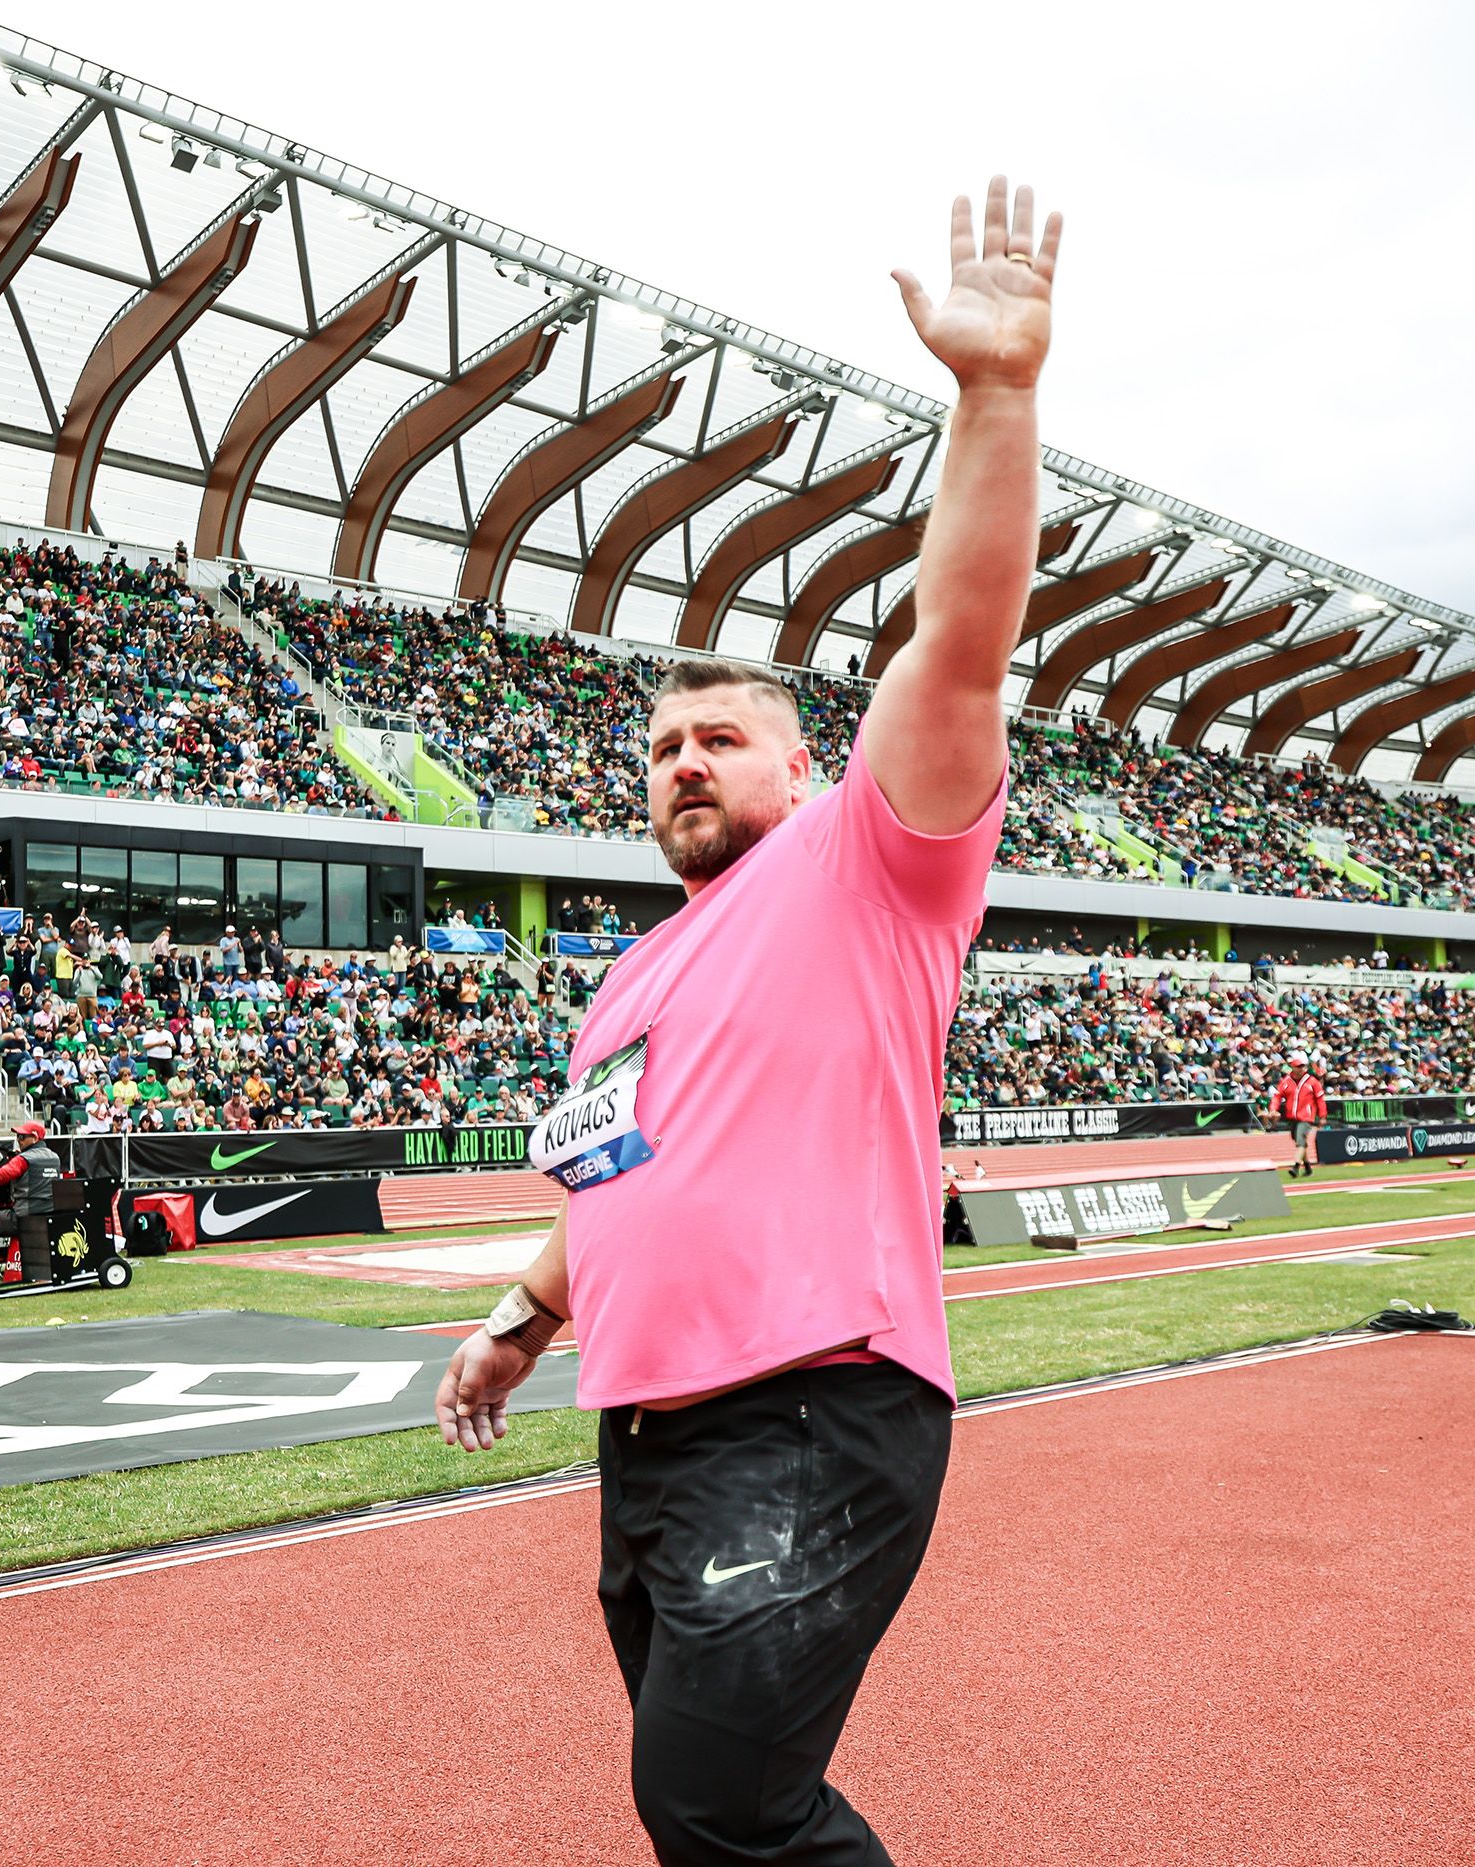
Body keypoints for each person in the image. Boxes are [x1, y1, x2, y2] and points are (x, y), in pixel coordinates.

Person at [434, 177, 1060, 1866]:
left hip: (811, 1406)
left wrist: (994, 396)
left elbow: (964, 638)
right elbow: (612, 1184)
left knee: (719, 1795)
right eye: (663, 748)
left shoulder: (874, 863)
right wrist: (517, 1318)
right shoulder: (628, 981)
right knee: (710, 1815)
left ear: (803, 764)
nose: (687, 761)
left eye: (722, 735)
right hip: (650, 1442)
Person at [0, 1118, 62, 1278]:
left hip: (24, 1218)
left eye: (22, 1137)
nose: (18, 1140)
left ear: (35, 1137)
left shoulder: (23, 1160)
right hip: (49, 1218)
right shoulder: (54, 1157)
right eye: (17, 1137)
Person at [1270, 1052, 1327, 1178]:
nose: (1301, 1069)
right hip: (1292, 1116)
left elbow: (1320, 1099)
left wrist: (1322, 1116)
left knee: (1300, 1141)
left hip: (1306, 1117)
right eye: (1298, 1066)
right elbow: (1277, 1096)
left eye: (1302, 1066)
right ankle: (1307, 1167)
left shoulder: (1312, 1082)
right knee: (1299, 1141)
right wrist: (1273, 1109)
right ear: (1292, 1068)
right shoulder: (1286, 1082)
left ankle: (1295, 1167)